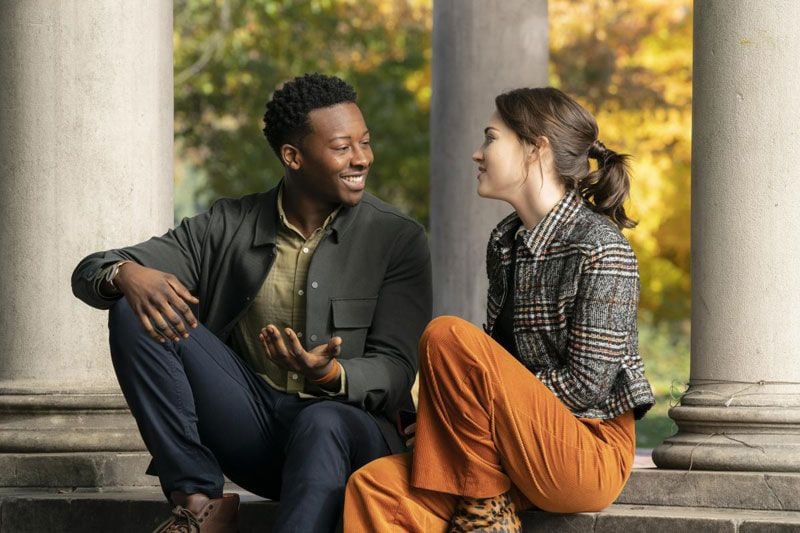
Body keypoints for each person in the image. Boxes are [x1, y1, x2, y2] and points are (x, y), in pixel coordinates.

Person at [71, 73, 431, 533]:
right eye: (343, 147)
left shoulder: (396, 238)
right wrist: (125, 274)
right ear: (293, 156)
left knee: (322, 421)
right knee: (135, 308)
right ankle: (199, 504)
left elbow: (398, 367)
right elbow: (91, 269)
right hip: (255, 430)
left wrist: (328, 374)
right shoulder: (228, 225)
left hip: (351, 437)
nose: (362, 158)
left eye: (365, 142)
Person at [343, 87, 655, 532]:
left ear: (536, 148)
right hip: (511, 449)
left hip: (586, 451)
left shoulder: (602, 249)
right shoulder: (505, 241)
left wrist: (481, 411)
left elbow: (586, 387)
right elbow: (497, 365)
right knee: (373, 487)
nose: (477, 153)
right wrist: (448, 421)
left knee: (447, 335)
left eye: (491, 138)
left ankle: (485, 515)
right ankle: (485, 504)